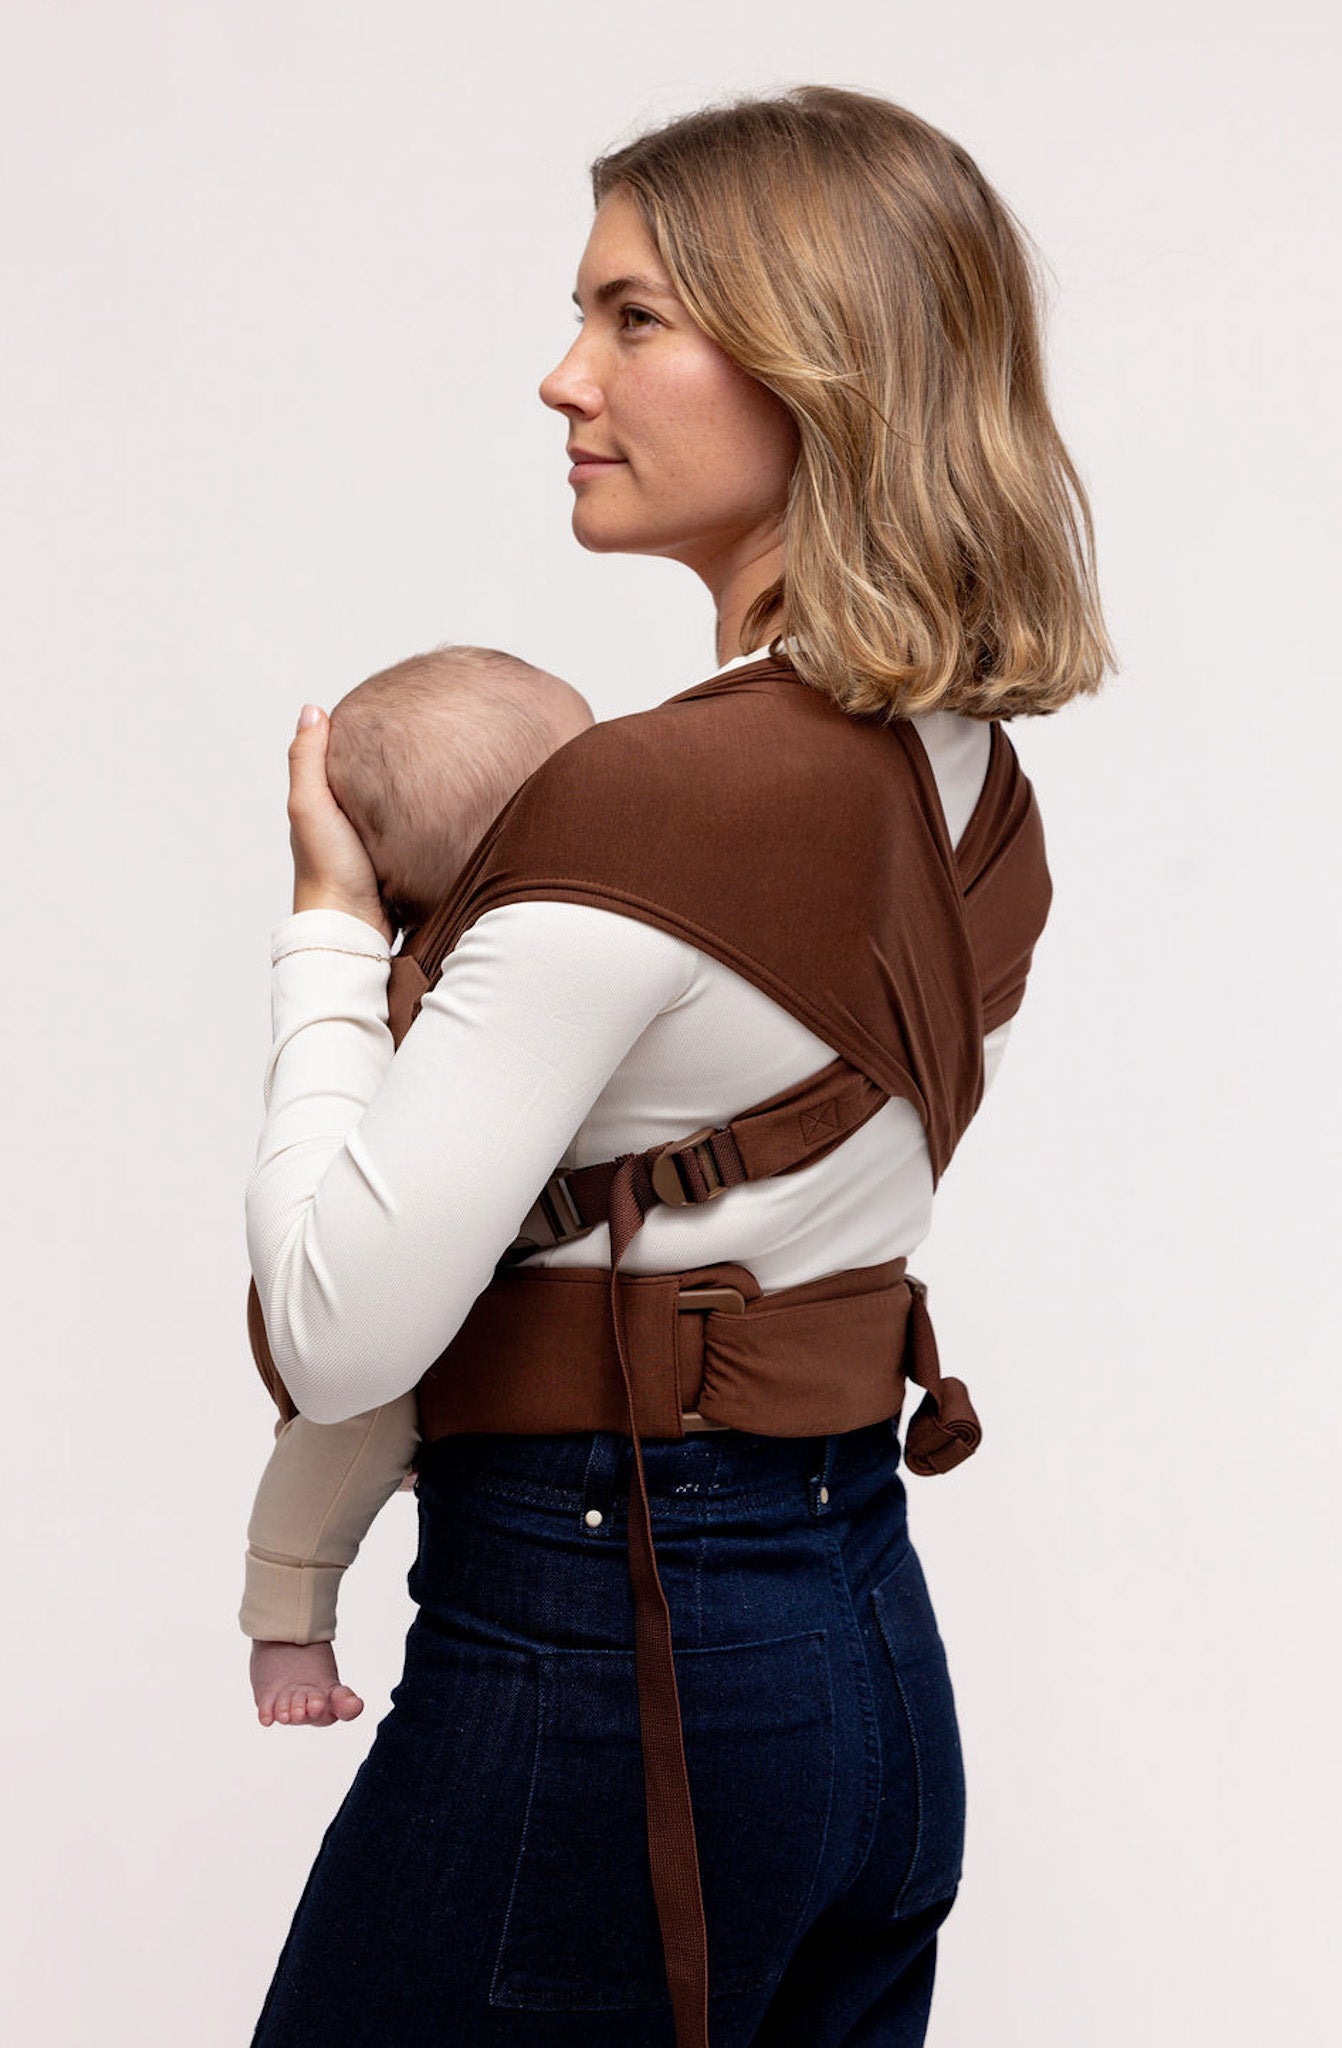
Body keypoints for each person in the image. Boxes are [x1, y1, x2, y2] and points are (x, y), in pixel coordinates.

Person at [244, 85, 1114, 2048]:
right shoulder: (975, 789)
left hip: (607, 1638)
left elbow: (333, 1329)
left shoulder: (636, 799)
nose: (563, 376)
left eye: (631, 317)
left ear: (822, 359)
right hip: (856, 1654)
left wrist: (326, 926)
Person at [240, 641, 595, 1728]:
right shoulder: (431, 991)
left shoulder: (585, 948)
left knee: (354, 1417)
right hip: (404, 1305)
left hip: (525, 1325)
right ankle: (286, 1622)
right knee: (349, 1422)